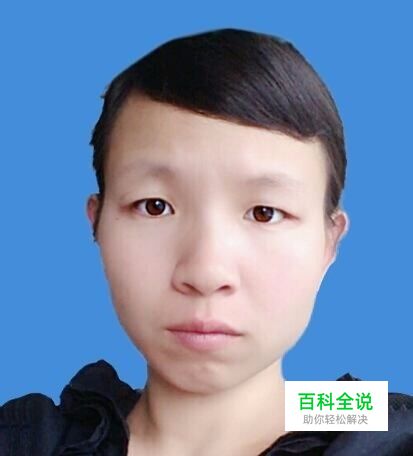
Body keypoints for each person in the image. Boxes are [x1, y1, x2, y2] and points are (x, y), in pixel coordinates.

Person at [1, 28, 412, 456]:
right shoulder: (32, 439)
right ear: (97, 224)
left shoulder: (380, 429)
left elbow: (376, 413)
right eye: (155, 206)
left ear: (330, 241)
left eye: (264, 212)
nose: (205, 273)